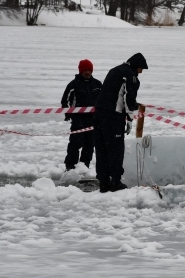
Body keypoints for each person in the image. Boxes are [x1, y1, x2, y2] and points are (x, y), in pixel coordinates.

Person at [94, 53, 148, 193]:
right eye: (141, 69)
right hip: (113, 117)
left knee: (101, 149)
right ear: (137, 66)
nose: (141, 72)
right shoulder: (130, 75)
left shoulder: (114, 70)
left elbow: (111, 92)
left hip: (99, 114)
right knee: (116, 150)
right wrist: (130, 119)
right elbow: (128, 98)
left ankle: (103, 182)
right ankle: (116, 182)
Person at [61, 59, 102, 171]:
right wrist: (68, 113)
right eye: (85, 70)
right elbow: (64, 101)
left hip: (93, 120)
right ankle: (70, 166)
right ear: (80, 71)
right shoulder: (73, 85)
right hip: (78, 120)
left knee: (89, 145)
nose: (87, 72)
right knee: (75, 143)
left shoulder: (98, 84)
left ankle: (84, 167)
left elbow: (103, 101)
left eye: (89, 70)